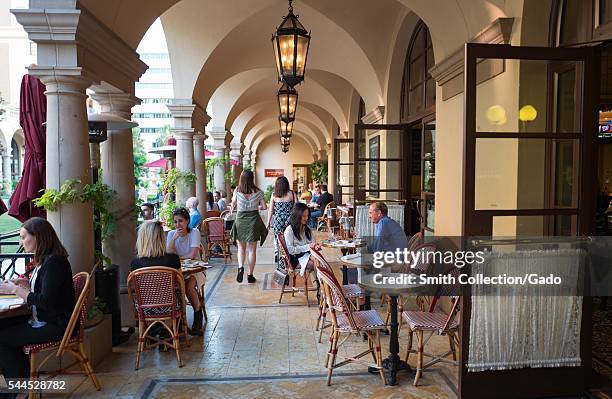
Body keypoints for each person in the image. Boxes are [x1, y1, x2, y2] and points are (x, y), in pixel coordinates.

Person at [0, 217, 75, 383]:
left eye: (23, 237)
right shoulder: (47, 260)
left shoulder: (54, 262)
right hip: (45, 319)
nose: (21, 242)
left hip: (56, 325)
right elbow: (48, 291)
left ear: (38, 237)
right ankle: (22, 382)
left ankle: (22, 388)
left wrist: (15, 289)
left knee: (2, 339)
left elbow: (46, 301)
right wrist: (26, 283)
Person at [166, 208, 205, 335]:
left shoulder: (194, 232)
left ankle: (198, 315)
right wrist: (173, 239)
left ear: (187, 221)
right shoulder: (172, 234)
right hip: (178, 271)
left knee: (188, 287)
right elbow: (168, 254)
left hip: (195, 270)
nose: (178, 225)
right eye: (176, 222)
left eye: (181, 221)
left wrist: (176, 259)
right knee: (172, 288)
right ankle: (179, 322)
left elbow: (193, 255)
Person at [230, 170, 268, 283]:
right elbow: (264, 207)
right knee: (252, 250)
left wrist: (235, 207)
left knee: (241, 249)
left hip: (241, 220)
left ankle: (241, 267)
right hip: (253, 221)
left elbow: (233, 205)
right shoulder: (259, 192)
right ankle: (250, 275)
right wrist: (256, 207)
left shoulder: (237, 190)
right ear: (252, 178)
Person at [283, 203, 319, 283]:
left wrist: (315, 246)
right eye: (303, 216)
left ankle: (322, 287)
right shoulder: (290, 230)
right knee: (317, 264)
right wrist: (308, 246)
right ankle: (321, 287)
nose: (306, 218)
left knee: (320, 262)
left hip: (306, 255)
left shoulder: (306, 228)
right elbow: (290, 250)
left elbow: (312, 242)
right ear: (297, 215)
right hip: (295, 259)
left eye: (307, 216)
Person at [266, 176, 297, 262]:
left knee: (278, 237)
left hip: (278, 219)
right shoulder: (292, 193)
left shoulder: (274, 195)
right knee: (289, 236)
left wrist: (268, 223)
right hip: (289, 219)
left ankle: (278, 253)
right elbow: (297, 207)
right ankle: (289, 255)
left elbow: (271, 210)